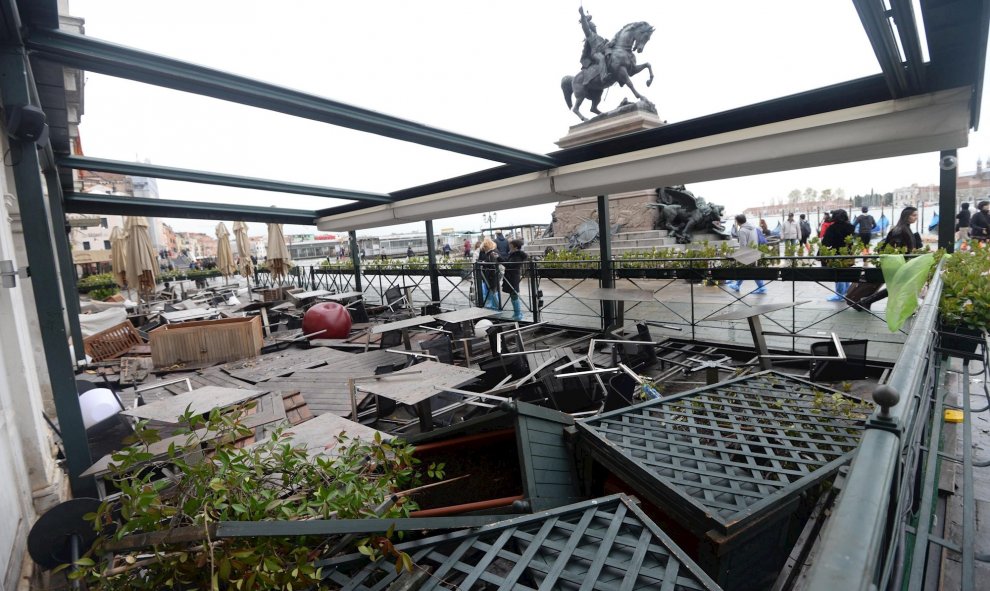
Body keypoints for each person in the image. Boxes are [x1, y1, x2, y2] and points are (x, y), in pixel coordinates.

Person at [854, 207, 922, 311]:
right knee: (899, 286)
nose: (916, 218)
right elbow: (896, 248)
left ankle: (867, 301)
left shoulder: (905, 228)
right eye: (914, 215)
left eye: (916, 215)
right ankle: (867, 301)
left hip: (903, 263)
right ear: (906, 216)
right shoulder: (901, 229)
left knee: (899, 286)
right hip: (900, 263)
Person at [726, 214, 767, 295]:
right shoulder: (753, 227)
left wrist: (738, 254)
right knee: (748, 270)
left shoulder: (742, 231)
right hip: (754, 251)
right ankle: (738, 285)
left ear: (737, 222)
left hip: (747, 253)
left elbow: (743, 245)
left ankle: (761, 287)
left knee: (748, 270)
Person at [821, 209, 855, 301]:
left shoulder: (832, 228)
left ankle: (839, 295)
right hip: (848, 254)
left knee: (838, 275)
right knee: (846, 273)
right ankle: (847, 293)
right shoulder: (851, 227)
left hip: (836, 254)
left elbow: (826, 243)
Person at [500, 238, 528, 320]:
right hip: (511, 276)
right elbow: (508, 262)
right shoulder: (513, 254)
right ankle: (517, 313)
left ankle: (518, 314)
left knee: (514, 294)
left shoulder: (517, 256)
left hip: (513, 277)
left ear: (515, 247)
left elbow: (510, 265)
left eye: (511, 246)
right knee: (513, 295)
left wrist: (499, 259)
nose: (509, 247)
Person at [478, 238, 501, 310]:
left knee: (493, 290)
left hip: (492, 275)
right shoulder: (493, 252)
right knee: (493, 290)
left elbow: (493, 265)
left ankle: (497, 306)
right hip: (492, 275)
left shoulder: (491, 253)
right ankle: (495, 305)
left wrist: (485, 264)